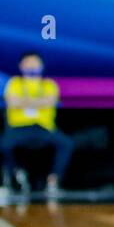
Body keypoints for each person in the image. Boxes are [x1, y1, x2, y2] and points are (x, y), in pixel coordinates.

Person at [2, 53, 74, 198]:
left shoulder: (49, 84)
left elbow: (50, 101)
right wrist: (38, 102)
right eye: (28, 63)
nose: (32, 66)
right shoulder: (15, 82)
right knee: (3, 145)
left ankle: (53, 181)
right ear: (21, 66)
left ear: (41, 66)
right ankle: (16, 175)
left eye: (35, 63)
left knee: (66, 143)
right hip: (19, 127)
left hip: (44, 128)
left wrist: (24, 102)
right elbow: (12, 102)